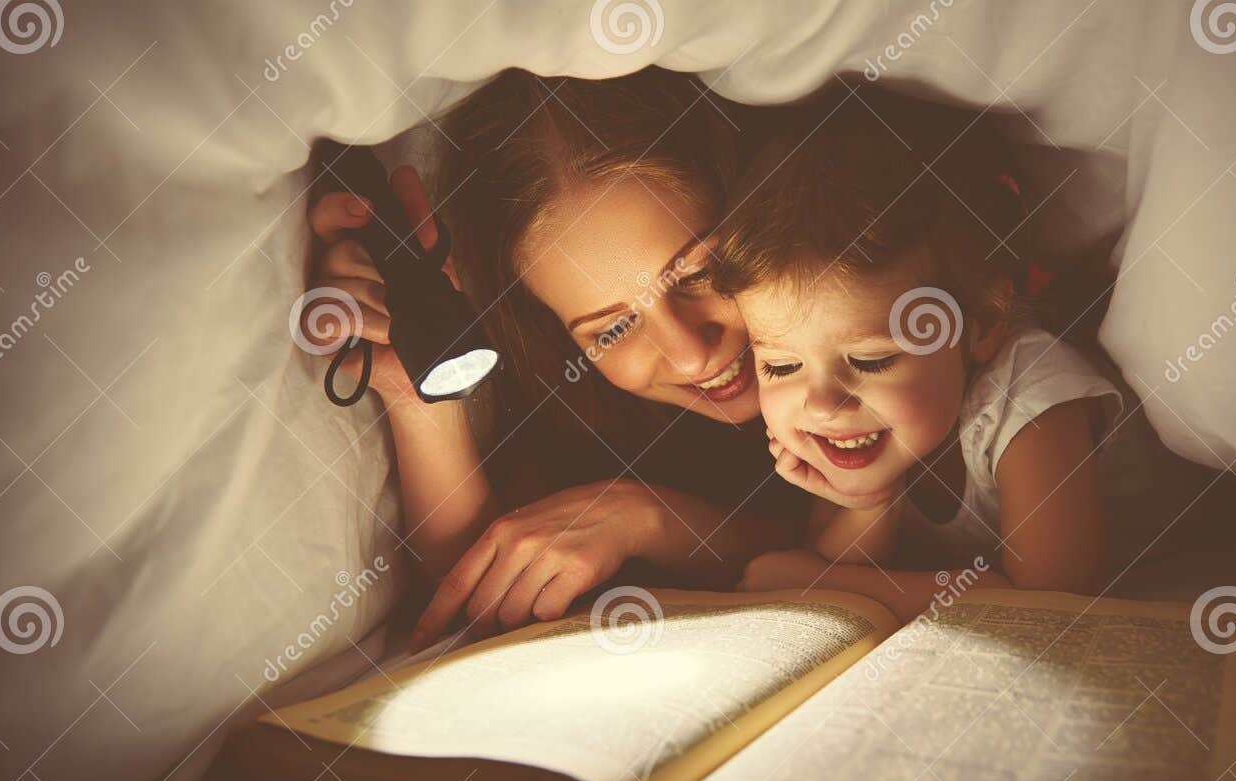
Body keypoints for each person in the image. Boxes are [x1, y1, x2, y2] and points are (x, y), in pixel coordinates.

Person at [301, 68, 801, 648]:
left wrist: (649, 520)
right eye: (612, 331)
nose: (690, 357)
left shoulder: (891, 311)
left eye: (700, 274)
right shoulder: (587, 425)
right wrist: (417, 384)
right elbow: (479, 586)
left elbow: (865, 556)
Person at [723, 88, 1121, 621]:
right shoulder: (858, 431)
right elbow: (839, 561)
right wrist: (869, 498)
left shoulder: (1030, 401)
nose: (822, 405)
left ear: (982, 325)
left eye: (870, 362)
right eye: (780, 366)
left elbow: (1056, 603)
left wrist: (824, 585)